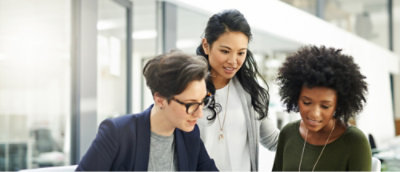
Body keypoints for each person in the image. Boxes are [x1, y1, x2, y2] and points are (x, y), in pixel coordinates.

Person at [76, 51, 218, 171]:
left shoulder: (189, 135)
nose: (199, 114)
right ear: (160, 99)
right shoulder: (117, 133)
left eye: (202, 102)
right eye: (191, 104)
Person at [196, 9, 279, 171]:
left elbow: (274, 141)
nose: (233, 61)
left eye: (241, 53)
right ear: (206, 46)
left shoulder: (251, 92)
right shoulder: (188, 90)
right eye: (225, 51)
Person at [272, 45, 371, 171]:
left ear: (338, 104)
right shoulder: (288, 133)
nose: (314, 114)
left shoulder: (354, 142)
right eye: (307, 102)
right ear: (296, 97)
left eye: (325, 106)